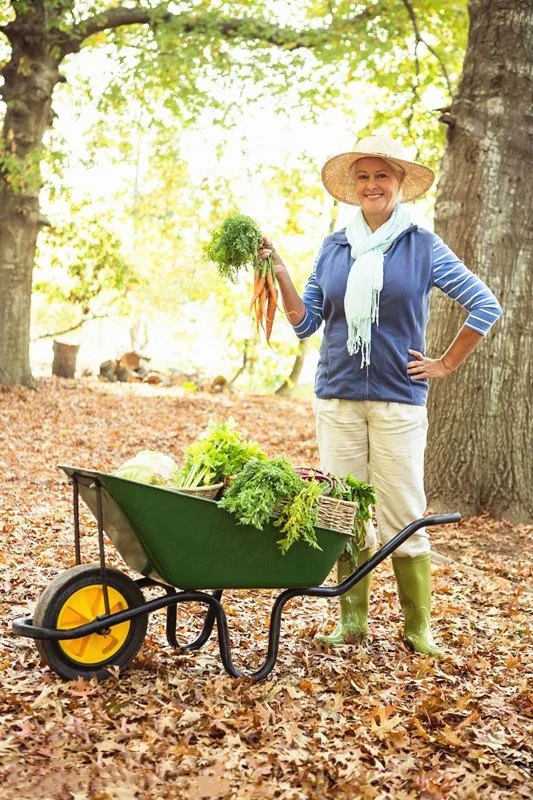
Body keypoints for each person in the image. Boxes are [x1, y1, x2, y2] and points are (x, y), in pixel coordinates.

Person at [260, 134, 502, 656]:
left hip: (398, 399)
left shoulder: (422, 246)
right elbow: (306, 324)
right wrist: (281, 274)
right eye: (363, 177)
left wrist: (444, 363)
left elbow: (484, 306)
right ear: (353, 187)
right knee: (342, 510)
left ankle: (418, 629)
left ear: (398, 185)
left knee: (402, 512)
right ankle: (352, 621)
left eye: (382, 176)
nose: (372, 185)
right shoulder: (334, 246)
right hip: (338, 398)